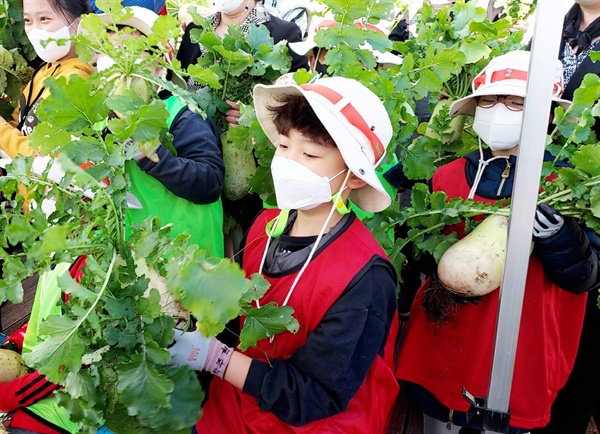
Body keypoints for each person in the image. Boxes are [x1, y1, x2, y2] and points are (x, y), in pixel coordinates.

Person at [167, 76, 399, 433]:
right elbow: (240, 319)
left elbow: (316, 396)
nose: (289, 163)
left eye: (309, 154)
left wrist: (213, 357)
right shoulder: (265, 224)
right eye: (283, 147)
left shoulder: (365, 277)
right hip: (235, 406)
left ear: (353, 175)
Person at [395, 50, 600, 433]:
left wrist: (560, 239)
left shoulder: (571, 189)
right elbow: (426, 260)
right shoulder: (448, 176)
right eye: (488, 101)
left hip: (518, 352)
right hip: (445, 342)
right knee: (437, 415)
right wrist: (424, 247)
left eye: (516, 102)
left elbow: (586, 277)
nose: (498, 110)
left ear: (548, 114)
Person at [90, 6, 225, 257]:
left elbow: (210, 182)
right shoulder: (104, 121)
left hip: (189, 254)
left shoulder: (183, 116)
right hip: (141, 253)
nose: (117, 61)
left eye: (128, 51)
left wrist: (154, 155)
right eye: (108, 52)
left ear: (158, 67)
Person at [532, 1, 600, 432]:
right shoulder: (551, 27)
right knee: (541, 320)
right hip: (542, 182)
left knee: (583, 336)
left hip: (591, 195)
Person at [0, 0, 93, 159]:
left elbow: (44, 158)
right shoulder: (43, 71)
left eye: (44, 19)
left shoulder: (76, 80)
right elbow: (18, 125)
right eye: (28, 20)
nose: (35, 30)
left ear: (79, 22)